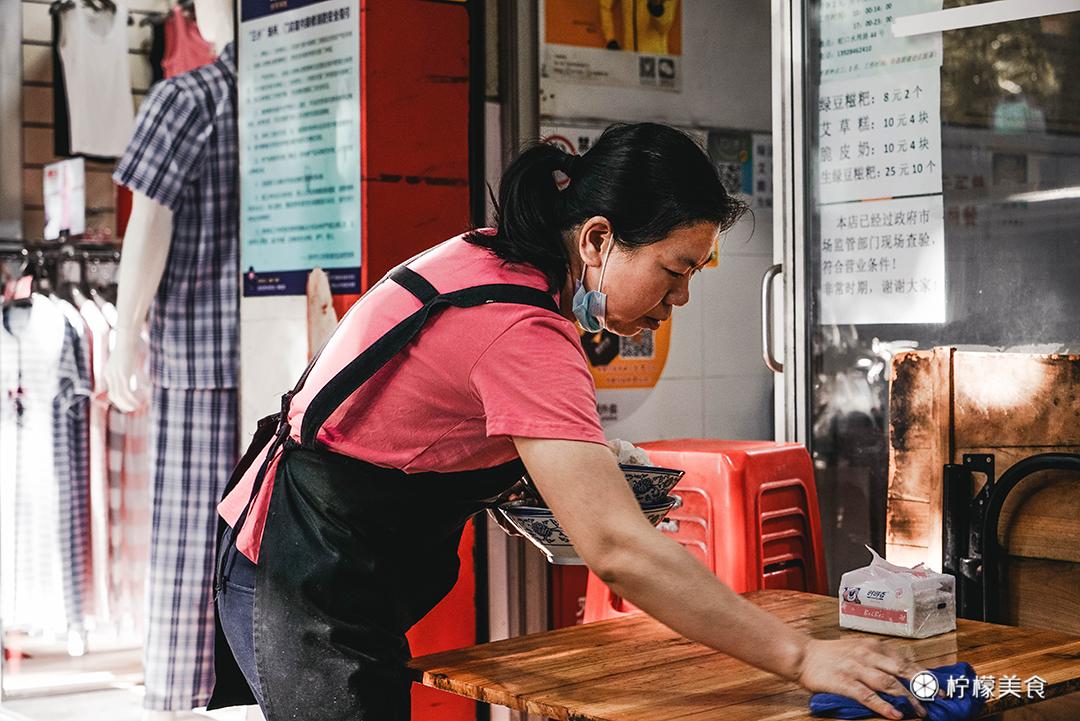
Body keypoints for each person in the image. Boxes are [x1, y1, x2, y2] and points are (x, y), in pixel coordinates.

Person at [208, 123, 926, 721]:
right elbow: (618, 549)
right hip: (302, 573)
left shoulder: (500, 262)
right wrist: (803, 655)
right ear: (597, 240)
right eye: (674, 270)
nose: (678, 298)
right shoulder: (523, 326)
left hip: (324, 554)